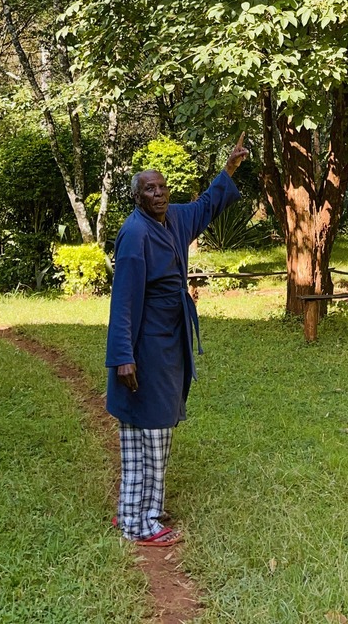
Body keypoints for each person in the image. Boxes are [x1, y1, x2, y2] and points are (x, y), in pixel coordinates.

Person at [105, 134, 249, 546]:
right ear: (137, 197)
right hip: (146, 342)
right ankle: (144, 518)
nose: (158, 193)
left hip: (170, 337)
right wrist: (123, 357)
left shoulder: (173, 220)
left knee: (147, 427)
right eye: (149, 189)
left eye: (162, 186)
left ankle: (131, 512)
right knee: (150, 428)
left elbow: (206, 205)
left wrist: (230, 168)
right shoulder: (135, 234)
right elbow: (124, 301)